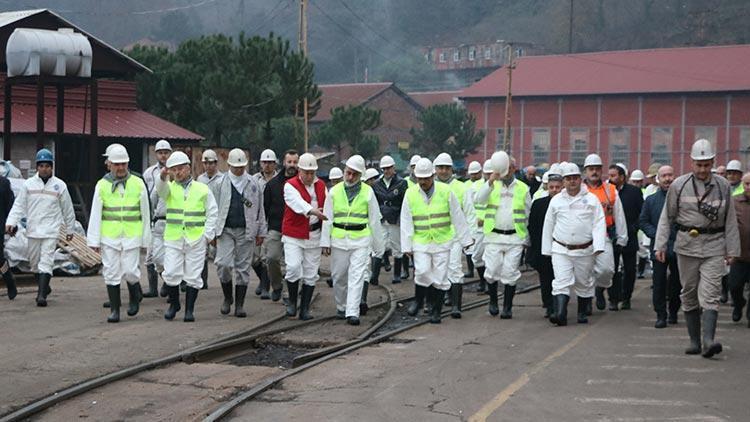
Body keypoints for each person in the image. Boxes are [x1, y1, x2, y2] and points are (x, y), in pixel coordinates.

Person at [655, 139, 740, 358]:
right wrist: (661, 244)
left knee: (710, 295)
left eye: (706, 164)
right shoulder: (679, 185)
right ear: (692, 163)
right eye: (699, 164)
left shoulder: (722, 186)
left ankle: (709, 340)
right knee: (689, 293)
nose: (703, 169)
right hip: (687, 246)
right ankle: (694, 341)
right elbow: (667, 217)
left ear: (712, 162)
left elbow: (730, 220)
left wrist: (733, 250)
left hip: (714, 245)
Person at [401, 158, 472, 324]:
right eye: (420, 178)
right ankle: (419, 300)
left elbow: (457, 215)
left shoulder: (446, 191)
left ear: (432, 176)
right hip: (421, 241)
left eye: (426, 178)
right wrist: (406, 245)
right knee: (423, 272)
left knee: (440, 278)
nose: (423, 182)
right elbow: (406, 220)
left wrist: (465, 239)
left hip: (442, 240)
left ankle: (436, 311)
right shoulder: (410, 193)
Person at [87, 145, 151, 322]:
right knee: (111, 272)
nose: (121, 168)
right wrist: (94, 240)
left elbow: (146, 212)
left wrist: (146, 239)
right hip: (110, 236)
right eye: (117, 164)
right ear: (109, 164)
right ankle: (115, 310)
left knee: (130, 271)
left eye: (124, 164)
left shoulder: (138, 183)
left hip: (132, 235)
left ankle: (134, 297)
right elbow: (95, 213)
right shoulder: (102, 185)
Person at [6, 149, 76, 307]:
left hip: (51, 231)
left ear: (52, 167)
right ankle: (45, 286)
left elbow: (68, 210)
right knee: (35, 263)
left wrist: (70, 230)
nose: (44, 169)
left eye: (47, 166)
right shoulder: (29, 185)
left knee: (46, 261)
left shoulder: (60, 186)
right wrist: (11, 222)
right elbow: (19, 206)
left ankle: (41, 295)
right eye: (41, 166)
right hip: (33, 230)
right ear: (37, 167)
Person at [321, 155, 384, 325]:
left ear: (360, 175)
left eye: (354, 174)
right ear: (344, 172)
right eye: (348, 173)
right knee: (339, 276)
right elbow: (327, 218)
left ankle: (352, 311)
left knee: (357, 276)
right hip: (339, 239)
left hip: (360, 240)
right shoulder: (334, 192)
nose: (350, 177)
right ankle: (341, 306)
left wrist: (379, 247)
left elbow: (374, 220)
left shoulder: (368, 192)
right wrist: (325, 242)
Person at [156, 151, 218, 322]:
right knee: (171, 272)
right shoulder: (169, 188)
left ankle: (189, 310)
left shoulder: (202, 189)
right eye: (173, 170)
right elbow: (160, 191)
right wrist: (162, 178)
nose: (177, 173)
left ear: (188, 168)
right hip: (174, 237)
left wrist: (208, 235)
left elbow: (212, 212)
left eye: (180, 169)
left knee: (193, 275)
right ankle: (174, 304)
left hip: (196, 238)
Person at [542, 162, 607, 326]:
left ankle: (582, 311)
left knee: (582, 282)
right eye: (568, 179)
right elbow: (549, 224)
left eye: (575, 178)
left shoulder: (591, 200)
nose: (572, 182)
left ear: (580, 179)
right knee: (561, 281)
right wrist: (547, 248)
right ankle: (560, 313)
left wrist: (599, 246)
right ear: (563, 181)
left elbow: (599, 223)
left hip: (584, 249)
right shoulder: (556, 201)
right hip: (561, 248)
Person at [475, 153, 530, 319]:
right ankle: (493, 300)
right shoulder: (492, 185)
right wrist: (490, 181)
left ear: (514, 168)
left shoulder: (522, 188)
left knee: (510, 272)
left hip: (515, 237)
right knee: (491, 271)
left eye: (509, 169)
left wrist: (526, 238)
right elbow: (479, 200)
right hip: (494, 236)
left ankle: (507, 306)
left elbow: (528, 213)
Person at [214, 149, 266, 318]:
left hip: (246, 229)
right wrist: (212, 233)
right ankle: (227, 297)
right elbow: (212, 208)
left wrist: (261, 231)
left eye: (241, 166)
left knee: (243, 267)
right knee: (223, 264)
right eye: (235, 167)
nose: (238, 170)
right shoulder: (220, 183)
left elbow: (259, 209)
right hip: (225, 230)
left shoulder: (253, 183)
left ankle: (240, 304)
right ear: (228, 165)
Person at [282, 152, 327, 320]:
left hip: (314, 234)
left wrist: (326, 240)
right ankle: (293, 302)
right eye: (306, 172)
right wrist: (312, 210)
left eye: (312, 172)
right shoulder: (289, 185)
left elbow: (328, 207)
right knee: (293, 268)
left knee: (310, 272)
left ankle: (305, 308)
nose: (309, 176)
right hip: (294, 233)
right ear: (299, 170)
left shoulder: (322, 186)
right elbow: (296, 203)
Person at [583, 153, 627, 312]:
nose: (594, 172)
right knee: (585, 271)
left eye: (597, 169)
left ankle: (600, 288)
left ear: (601, 171)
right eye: (590, 169)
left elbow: (619, 214)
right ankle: (586, 302)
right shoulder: (579, 190)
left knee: (606, 270)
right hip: (584, 237)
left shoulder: (610, 190)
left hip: (604, 235)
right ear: (585, 171)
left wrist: (622, 237)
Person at [434, 152, 476, 318]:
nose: (443, 171)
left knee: (454, 268)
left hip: (455, 236)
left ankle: (456, 306)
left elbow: (470, 212)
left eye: (446, 168)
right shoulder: (430, 187)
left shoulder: (461, 187)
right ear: (435, 169)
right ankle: (437, 301)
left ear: (451, 169)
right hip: (435, 236)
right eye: (440, 168)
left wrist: (469, 237)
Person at [640, 165, 680, 328]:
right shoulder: (651, 200)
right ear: (658, 179)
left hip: (679, 246)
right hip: (658, 248)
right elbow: (643, 221)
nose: (667, 179)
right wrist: (657, 235)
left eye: (670, 175)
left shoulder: (682, 199)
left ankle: (674, 311)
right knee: (659, 283)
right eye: (664, 176)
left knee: (677, 283)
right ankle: (661, 315)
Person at [527, 163, 563, 318]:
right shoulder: (538, 204)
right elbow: (532, 227)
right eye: (552, 187)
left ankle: (559, 306)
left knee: (560, 278)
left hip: (562, 248)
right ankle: (549, 305)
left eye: (557, 187)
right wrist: (536, 248)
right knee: (546, 278)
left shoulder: (567, 205)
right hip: (543, 248)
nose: (554, 190)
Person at [263, 150, 300, 302]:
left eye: (294, 162)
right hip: (276, 228)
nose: (292, 165)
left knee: (292, 264)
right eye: (289, 162)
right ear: (283, 163)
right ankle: (277, 285)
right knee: (271, 258)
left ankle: (289, 294)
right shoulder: (272, 185)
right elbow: (265, 207)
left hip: (295, 229)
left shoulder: (302, 183)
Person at [608, 163, 643, 310]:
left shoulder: (634, 192)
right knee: (612, 269)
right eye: (609, 175)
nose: (610, 178)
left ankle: (627, 297)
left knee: (630, 269)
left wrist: (634, 227)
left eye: (613, 175)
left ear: (622, 177)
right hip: (611, 236)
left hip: (630, 235)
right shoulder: (607, 191)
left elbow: (642, 212)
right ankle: (613, 299)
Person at [142, 140, 172, 298]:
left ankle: (169, 283)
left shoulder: (176, 170)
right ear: (156, 154)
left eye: (166, 152)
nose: (163, 155)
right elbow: (147, 195)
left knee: (170, 254)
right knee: (151, 256)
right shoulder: (149, 173)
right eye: (160, 152)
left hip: (172, 217)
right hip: (155, 216)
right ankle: (153, 288)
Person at [372, 155, 408, 284]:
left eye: (388, 168)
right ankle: (374, 276)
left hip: (395, 218)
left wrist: (401, 218)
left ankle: (397, 274)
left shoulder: (402, 183)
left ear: (393, 168)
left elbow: (405, 202)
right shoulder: (376, 184)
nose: (386, 171)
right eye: (384, 169)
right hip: (381, 218)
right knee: (379, 246)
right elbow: (374, 202)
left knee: (396, 246)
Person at [251, 149, 278, 298]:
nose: (267, 165)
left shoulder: (279, 179)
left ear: (275, 164)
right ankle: (262, 281)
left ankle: (266, 287)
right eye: (265, 162)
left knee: (266, 256)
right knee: (253, 257)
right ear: (260, 163)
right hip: (256, 220)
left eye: (270, 162)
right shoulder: (254, 180)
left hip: (271, 221)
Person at [197, 149, 224, 291]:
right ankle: (203, 280)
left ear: (216, 163)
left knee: (218, 251)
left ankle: (224, 279)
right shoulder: (200, 180)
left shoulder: (223, 179)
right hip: (202, 218)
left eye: (211, 163)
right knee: (203, 250)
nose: (208, 166)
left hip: (218, 218)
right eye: (205, 163)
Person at [728, 172, 750, 327]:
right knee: (734, 286)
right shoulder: (735, 202)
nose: (749, 187)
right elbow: (728, 227)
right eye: (747, 184)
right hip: (739, 254)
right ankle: (738, 303)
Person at [471, 160, 493, 293]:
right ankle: (482, 279)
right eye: (487, 173)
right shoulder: (475, 187)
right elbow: (470, 207)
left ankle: (487, 284)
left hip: (492, 229)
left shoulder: (500, 188)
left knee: (490, 259)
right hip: (478, 229)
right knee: (477, 257)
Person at [463, 160, 483, 278]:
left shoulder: (483, 184)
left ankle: (482, 276)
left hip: (481, 223)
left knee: (480, 251)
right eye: (472, 174)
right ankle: (470, 270)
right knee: (469, 248)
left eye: (476, 173)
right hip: (468, 219)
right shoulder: (465, 185)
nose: (474, 176)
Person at [0, 173, 15, 300]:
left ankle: (9, 281)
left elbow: (10, 206)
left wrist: (12, 225)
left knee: (0, 259)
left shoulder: (3, 183)